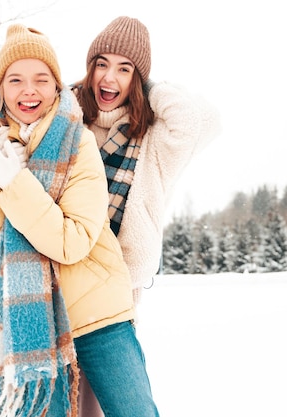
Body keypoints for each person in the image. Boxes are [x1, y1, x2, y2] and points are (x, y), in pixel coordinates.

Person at [0, 24, 160, 417]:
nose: (29, 90)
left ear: (57, 87)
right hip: (33, 326)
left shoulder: (78, 142)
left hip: (99, 317)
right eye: (16, 80)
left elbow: (72, 242)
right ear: (2, 90)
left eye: (41, 79)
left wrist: (15, 182)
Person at [71, 16, 222, 415]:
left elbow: (201, 119)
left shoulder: (153, 137)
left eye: (125, 69)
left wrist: (150, 87)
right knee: (70, 405)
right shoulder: (67, 121)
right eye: (102, 64)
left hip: (115, 288)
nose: (109, 78)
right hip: (59, 276)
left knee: (125, 404)